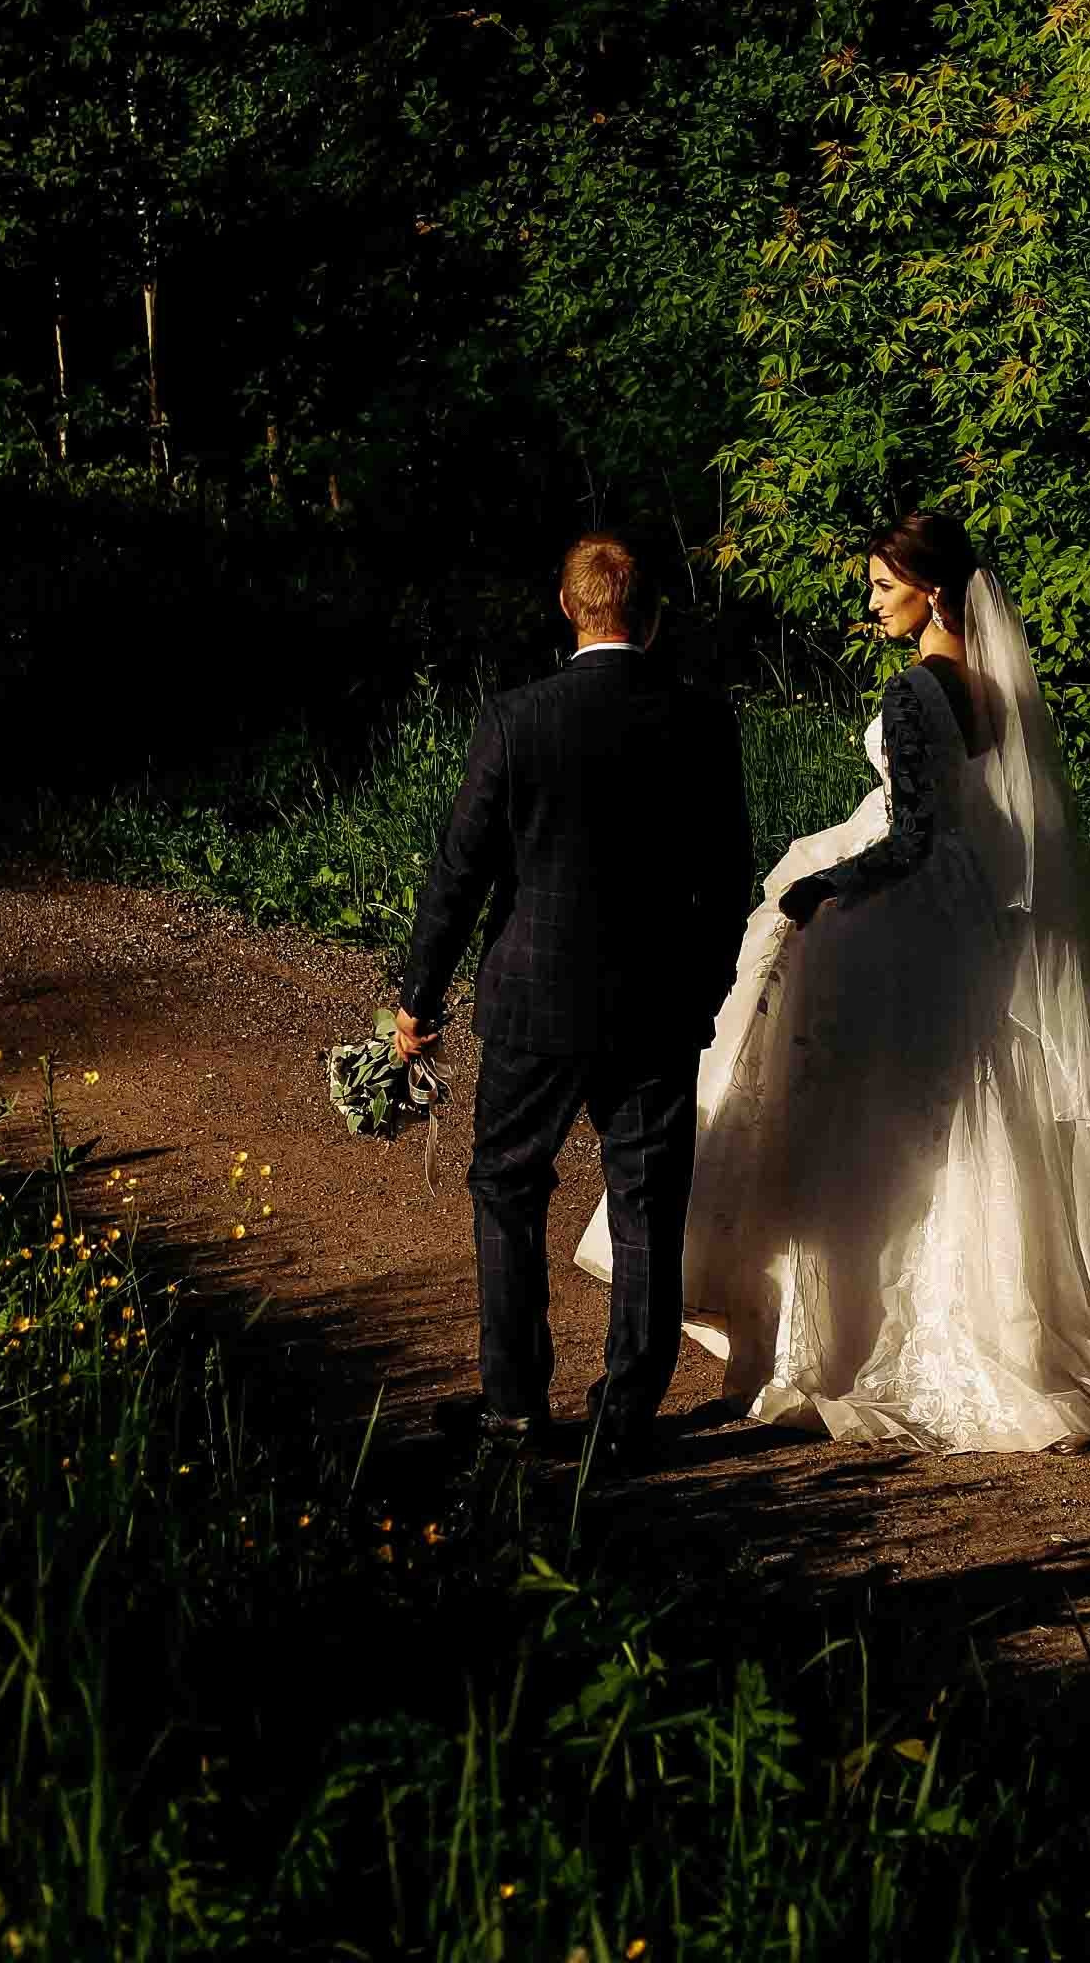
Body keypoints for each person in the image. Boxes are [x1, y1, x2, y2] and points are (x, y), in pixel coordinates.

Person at [577, 510, 1090, 1452]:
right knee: (986, 1106)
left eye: (881, 586)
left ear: (932, 591)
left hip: (908, 906)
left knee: (874, 1112)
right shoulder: (993, 687)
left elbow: (909, 840)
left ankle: (845, 1328)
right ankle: (1024, 1297)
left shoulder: (914, 691)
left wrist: (824, 886)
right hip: (976, 908)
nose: (870, 603)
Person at [395, 529, 754, 1475]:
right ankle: (626, 1417)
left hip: (534, 1006)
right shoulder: (701, 720)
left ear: (567, 608)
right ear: (652, 615)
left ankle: (515, 1412)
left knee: (508, 1191)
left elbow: (460, 872)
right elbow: (728, 881)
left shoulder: (518, 719)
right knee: (647, 1204)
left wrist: (417, 996)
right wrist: (707, 990)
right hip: (656, 1007)